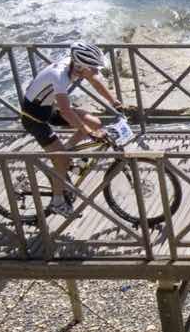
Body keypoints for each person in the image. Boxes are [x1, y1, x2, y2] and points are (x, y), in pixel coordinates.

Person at [20, 41, 124, 217]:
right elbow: (67, 111)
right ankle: (57, 201)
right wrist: (88, 133)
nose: (97, 71)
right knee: (64, 157)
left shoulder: (76, 64)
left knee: (96, 123)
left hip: (48, 107)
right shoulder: (59, 76)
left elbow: (95, 80)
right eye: (94, 67)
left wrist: (113, 101)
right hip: (34, 118)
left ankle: (66, 157)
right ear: (81, 67)